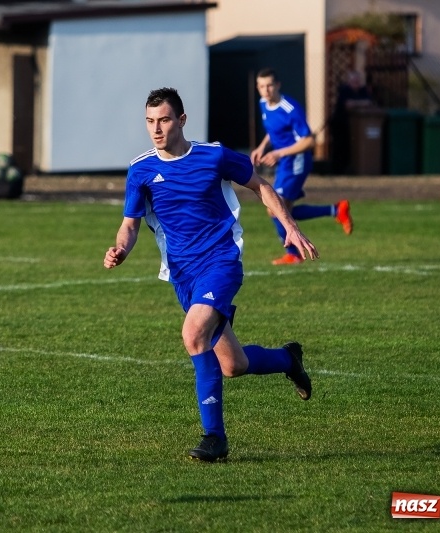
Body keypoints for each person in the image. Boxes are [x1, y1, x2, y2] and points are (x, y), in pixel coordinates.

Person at [104, 87, 319, 462]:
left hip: (221, 261)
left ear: (182, 120)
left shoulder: (213, 156)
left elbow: (261, 185)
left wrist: (290, 226)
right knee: (233, 365)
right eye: (150, 122)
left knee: (193, 334)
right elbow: (130, 225)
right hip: (182, 274)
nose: (156, 129)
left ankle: (215, 438)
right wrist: (121, 248)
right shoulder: (141, 170)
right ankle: (288, 360)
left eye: (164, 120)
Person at [250, 68, 353, 265]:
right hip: (285, 161)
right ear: (258, 88)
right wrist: (262, 147)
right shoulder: (263, 103)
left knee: (275, 209)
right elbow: (274, 130)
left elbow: (309, 141)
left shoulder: (290, 109)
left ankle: (293, 253)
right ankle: (336, 210)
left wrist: (278, 153)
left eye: (270, 85)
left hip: (297, 160)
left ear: (278, 85)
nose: (266, 90)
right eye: (262, 86)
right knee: (281, 209)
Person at [330, 69, 373, 174]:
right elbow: (348, 104)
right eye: (354, 81)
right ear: (349, 82)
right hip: (341, 124)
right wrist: (361, 103)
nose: (356, 84)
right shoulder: (345, 90)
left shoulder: (362, 90)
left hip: (355, 126)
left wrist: (356, 103)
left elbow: (369, 102)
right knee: (340, 148)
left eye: (358, 81)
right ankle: (338, 170)